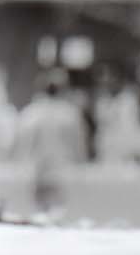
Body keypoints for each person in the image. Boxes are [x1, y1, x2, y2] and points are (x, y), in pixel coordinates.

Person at [15, 70, 87, 213]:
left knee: (40, 210)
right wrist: (81, 160)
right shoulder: (69, 113)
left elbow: (24, 141)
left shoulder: (32, 112)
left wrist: (21, 161)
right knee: (57, 209)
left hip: (39, 168)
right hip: (61, 167)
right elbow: (78, 141)